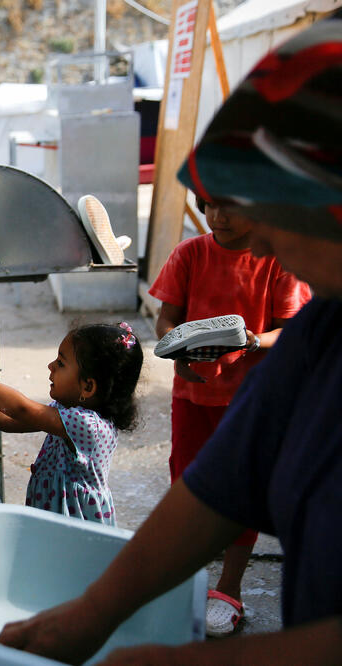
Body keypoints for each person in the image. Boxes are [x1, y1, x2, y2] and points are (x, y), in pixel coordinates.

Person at [0, 16, 342, 663]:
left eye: (276, 216)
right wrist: (92, 612)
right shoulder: (322, 333)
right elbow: (217, 487)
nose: (257, 242)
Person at [149, 194, 310, 636]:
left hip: (251, 403)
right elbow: (166, 320)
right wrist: (177, 347)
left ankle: (228, 589)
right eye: (206, 205)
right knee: (187, 489)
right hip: (192, 398)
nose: (216, 216)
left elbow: (291, 329)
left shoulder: (276, 260)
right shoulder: (190, 253)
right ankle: (186, 580)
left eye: (228, 205)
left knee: (243, 494)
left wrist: (252, 342)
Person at [0, 323, 143, 526]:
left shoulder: (90, 427)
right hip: (55, 523)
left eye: (61, 363)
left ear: (88, 387)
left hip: (77, 530)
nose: (50, 366)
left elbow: (20, 408)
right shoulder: (66, 411)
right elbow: (12, 421)